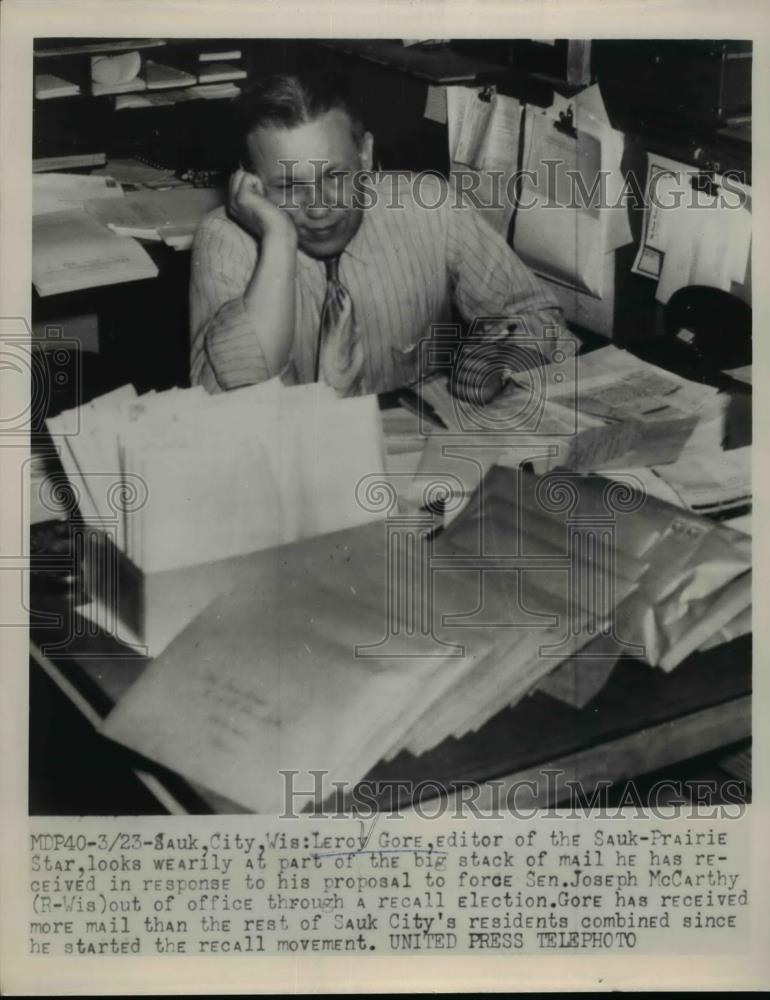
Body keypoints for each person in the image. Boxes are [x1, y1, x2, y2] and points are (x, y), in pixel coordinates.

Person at [190, 69, 568, 398]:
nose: (319, 207)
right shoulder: (225, 241)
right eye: (289, 186)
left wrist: (501, 357)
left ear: (366, 155)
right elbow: (224, 401)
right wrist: (278, 240)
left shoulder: (430, 207)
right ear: (252, 184)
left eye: (335, 177)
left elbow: (539, 316)